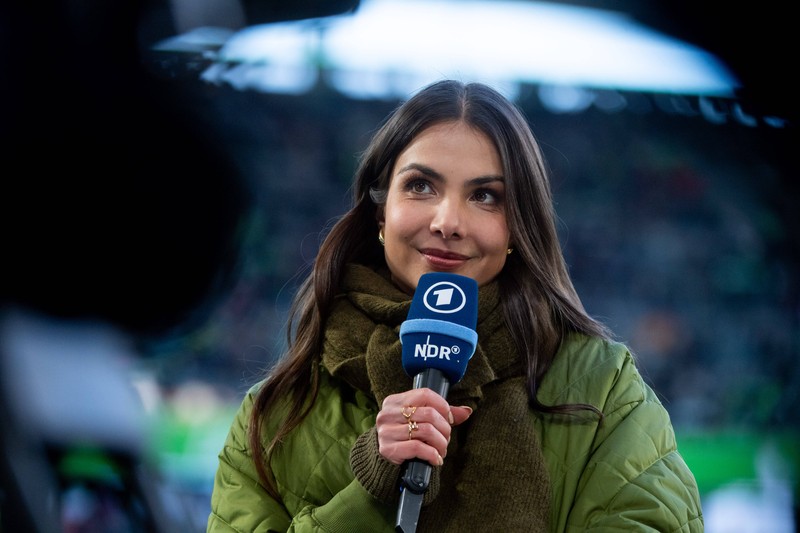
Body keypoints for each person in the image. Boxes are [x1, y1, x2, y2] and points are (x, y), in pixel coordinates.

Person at [207, 79, 703, 532]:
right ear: (382, 212)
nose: (448, 221)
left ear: (517, 229)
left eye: (485, 196)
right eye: (421, 186)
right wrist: (369, 497)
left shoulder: (606, 389)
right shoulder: (273, 416)